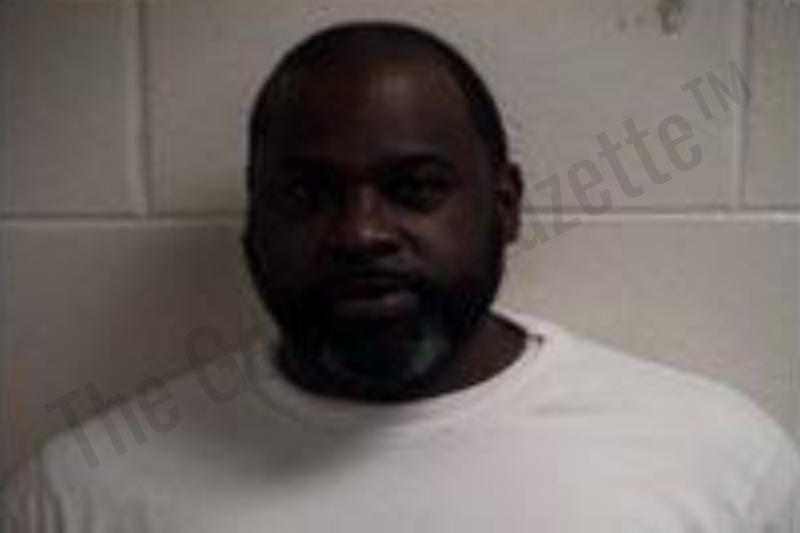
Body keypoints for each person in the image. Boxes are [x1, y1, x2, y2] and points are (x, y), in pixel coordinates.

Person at [2, 21, 798, 532]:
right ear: (253, 219)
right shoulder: (83, 494)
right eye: (307, 195)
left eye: (415, 188)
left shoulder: (716, 458)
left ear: (505, 206)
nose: (360, 233)